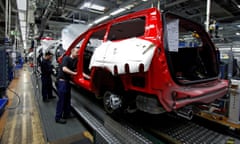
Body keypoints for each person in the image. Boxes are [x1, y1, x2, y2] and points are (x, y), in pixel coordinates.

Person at [55, 47, 79, 124]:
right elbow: (64, 69)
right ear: (72, 52)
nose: (78, 54)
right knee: (61, 100)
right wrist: (74, 74)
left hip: (67, 82)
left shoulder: (75, 60)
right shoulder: (66, 58)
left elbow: (78, 71)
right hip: (62, 82)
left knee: (67, 99)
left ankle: (66, 114)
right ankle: (58, 117)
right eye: (77, 52)